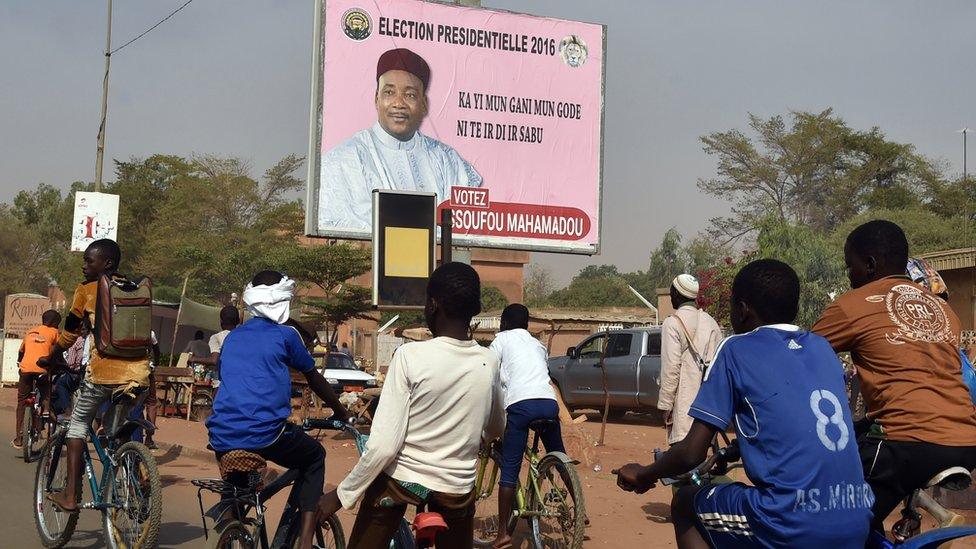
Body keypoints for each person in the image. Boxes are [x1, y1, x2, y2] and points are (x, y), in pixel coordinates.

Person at [616, 259, 872, 549]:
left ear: (742, 309)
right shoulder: (822, 347)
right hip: (856, 516)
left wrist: (644, 473)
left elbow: (690, 453)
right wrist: (738, 447)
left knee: (686, 503)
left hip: (790, 520)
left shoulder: (737, 348)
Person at [319, 262, 505, 549]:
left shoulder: (409, 356)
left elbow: (383, 447)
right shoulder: (488, 361)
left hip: (402, 483)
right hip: (456, 489)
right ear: (473, 310)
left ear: (433, 305)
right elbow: (495, 426)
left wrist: (340, 495)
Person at [812, 220, 976, 532]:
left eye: (851, 267)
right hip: (967, 439)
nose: (850, 277)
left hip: (907, 443)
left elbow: (801, 359)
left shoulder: (851, 305)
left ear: (870, 264)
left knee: (834, 525)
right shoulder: (944, 312)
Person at [205, 270, 350, 549]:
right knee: (314, 456)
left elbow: (231, 376)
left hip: (221, 433)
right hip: (266, 433)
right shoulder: (286, 336)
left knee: (240, 492)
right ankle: (306, 539)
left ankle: (233, 525)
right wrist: (340, 411)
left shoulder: (232, 338)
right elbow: (315, 379)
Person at [318, 47, 483, 231]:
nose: (398, 103)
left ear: (424, 105)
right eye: (389, 93)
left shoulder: (447, 159)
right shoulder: (344, 159)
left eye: (410, 95)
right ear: (376, 99)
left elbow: (467, 229)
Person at [44, 239, 152, 513]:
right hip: (138, 375)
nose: (84, 266)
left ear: (107, 264)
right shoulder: (134, 287)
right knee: (118, 429)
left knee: (78, 423)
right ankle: (135, 472)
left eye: (89, 261)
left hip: (103, 374)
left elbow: (70, 331)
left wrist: (55, 353)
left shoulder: (87, 290)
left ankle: (70, 495)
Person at [488, 303, 565, 549]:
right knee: (560, 456)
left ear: (504, 322)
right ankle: (578, 509)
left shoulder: (500, 340)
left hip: (521, 407)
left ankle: (502, 533)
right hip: (549, 405)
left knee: (510, 469)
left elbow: (488, 373)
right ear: (527, 323)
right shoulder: (537, 344)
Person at [658, 274, 723, 445]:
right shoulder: (711, 322)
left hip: (684, 402)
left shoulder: (672, 323)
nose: (671, 296)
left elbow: (671, 368)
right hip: (709, 405)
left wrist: (665, 405)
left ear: (678, 294)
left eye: (672, 292)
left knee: (683, 459)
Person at [12, 309, 61, 449]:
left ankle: (19, 437)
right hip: (42, 370)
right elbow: (59, 349)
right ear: (54, 322)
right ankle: (45, 410)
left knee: (22, 401)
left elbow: (21, 351)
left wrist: (20, 363)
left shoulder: (30, 331)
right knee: (46, 390)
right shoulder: (54, 332)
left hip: (25, 370)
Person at [192, 305, 241, 379]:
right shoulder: (243, 337)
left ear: (221, 321)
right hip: (240, 379)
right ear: (238, 321)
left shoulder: (216, 337)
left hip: (222, 380)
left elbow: (214, 360)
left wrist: (193, 359)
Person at [52, 325, 88, 419]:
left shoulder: (75, 341)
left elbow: (71, 364)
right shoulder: (88, 340)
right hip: (83, 373)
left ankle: (67, 412)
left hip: (75, 374)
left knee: (59, 384)